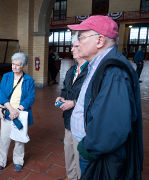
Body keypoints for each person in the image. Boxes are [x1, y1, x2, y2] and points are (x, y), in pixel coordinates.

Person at [67, 15, 143, 179]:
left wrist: (87, 150)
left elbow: (113, 127)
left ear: (100, 41)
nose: (77, 43)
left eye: (81, 37)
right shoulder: (98, 64)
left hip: (98, 155)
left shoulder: (113, 72)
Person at [0, 52, 35, 172]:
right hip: (7, 112)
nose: (14, 67)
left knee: (19, 139)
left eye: (17, 65)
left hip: (20, 113)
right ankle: (1, 161)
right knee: (4, 139)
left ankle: (18, 160)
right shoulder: (6, 76)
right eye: (13, 64)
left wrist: (18, 111)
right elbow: (2, 95)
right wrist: (11, 110)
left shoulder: (29, 80)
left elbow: (30, 98)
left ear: (23, 65)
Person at [55, 33, 88, 180]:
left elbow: (93, 97)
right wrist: (62, 97)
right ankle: (71, 176)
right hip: (68, 120)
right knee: (68, 150)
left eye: (76, 46)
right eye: (72, 46)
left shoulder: (91, 71)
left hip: (81, 122)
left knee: (79, 154)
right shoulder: (71, 70)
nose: (72, 50)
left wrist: (73, 103)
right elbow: (65, 89)